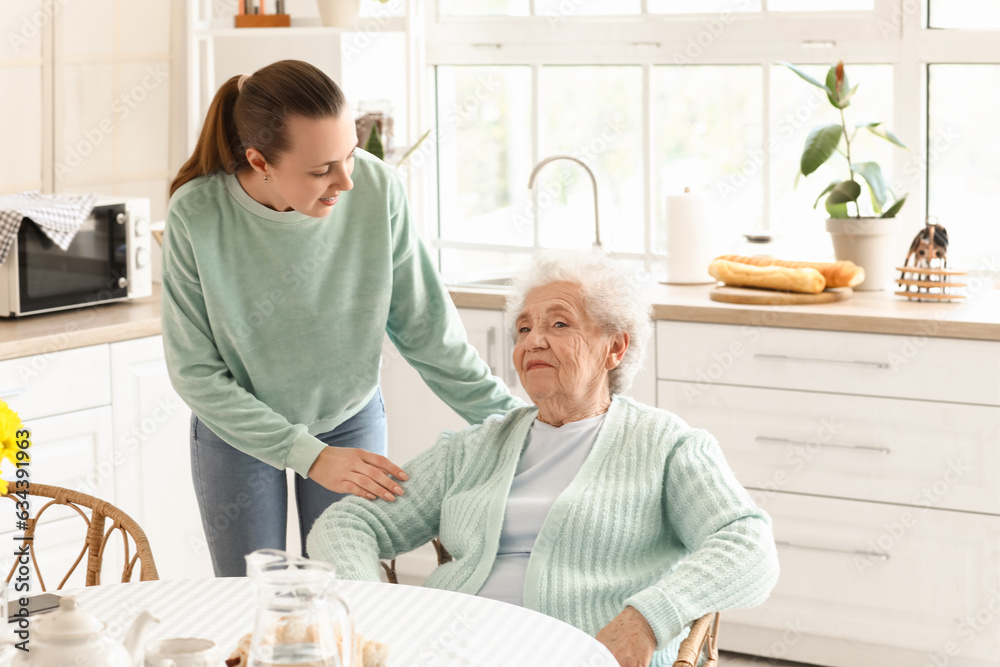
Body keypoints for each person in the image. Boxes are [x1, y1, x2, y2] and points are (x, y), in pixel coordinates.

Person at [307, 249, 780, 667]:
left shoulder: (666, 445)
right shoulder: (473, 447)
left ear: (615, 347)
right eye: (523, 328)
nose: (533, 340)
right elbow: (347, 523)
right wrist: (370, 612)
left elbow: (747, 544)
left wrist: (649, 617)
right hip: (448, 646)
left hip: (579, 652)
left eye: (559, 324)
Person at [161, 60, 522, 577]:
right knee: (249, 598)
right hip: (239, 433)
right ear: (260, 161)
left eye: (349, 155)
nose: (347, 182)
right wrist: (306, 453)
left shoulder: (378, 190)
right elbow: (194, 371)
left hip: (349, 418)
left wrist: (517, 424)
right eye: (320, 169)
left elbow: (428, 333)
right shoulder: (197, 213)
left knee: (349, 597)